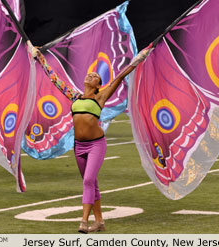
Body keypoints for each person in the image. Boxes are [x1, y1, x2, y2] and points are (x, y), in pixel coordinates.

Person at [36, 47, 150, 233]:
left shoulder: (101, 96)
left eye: (95, 75)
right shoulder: (75, 96)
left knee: (88, 180)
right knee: (91, 183)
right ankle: (99, 222)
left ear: (98, 85)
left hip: (96, 144)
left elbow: (120, 76)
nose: (91, 75)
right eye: (89, 74)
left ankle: (84, 221)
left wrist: (139, 58)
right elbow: (54, 78)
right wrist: (40, 57)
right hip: (79, 146)